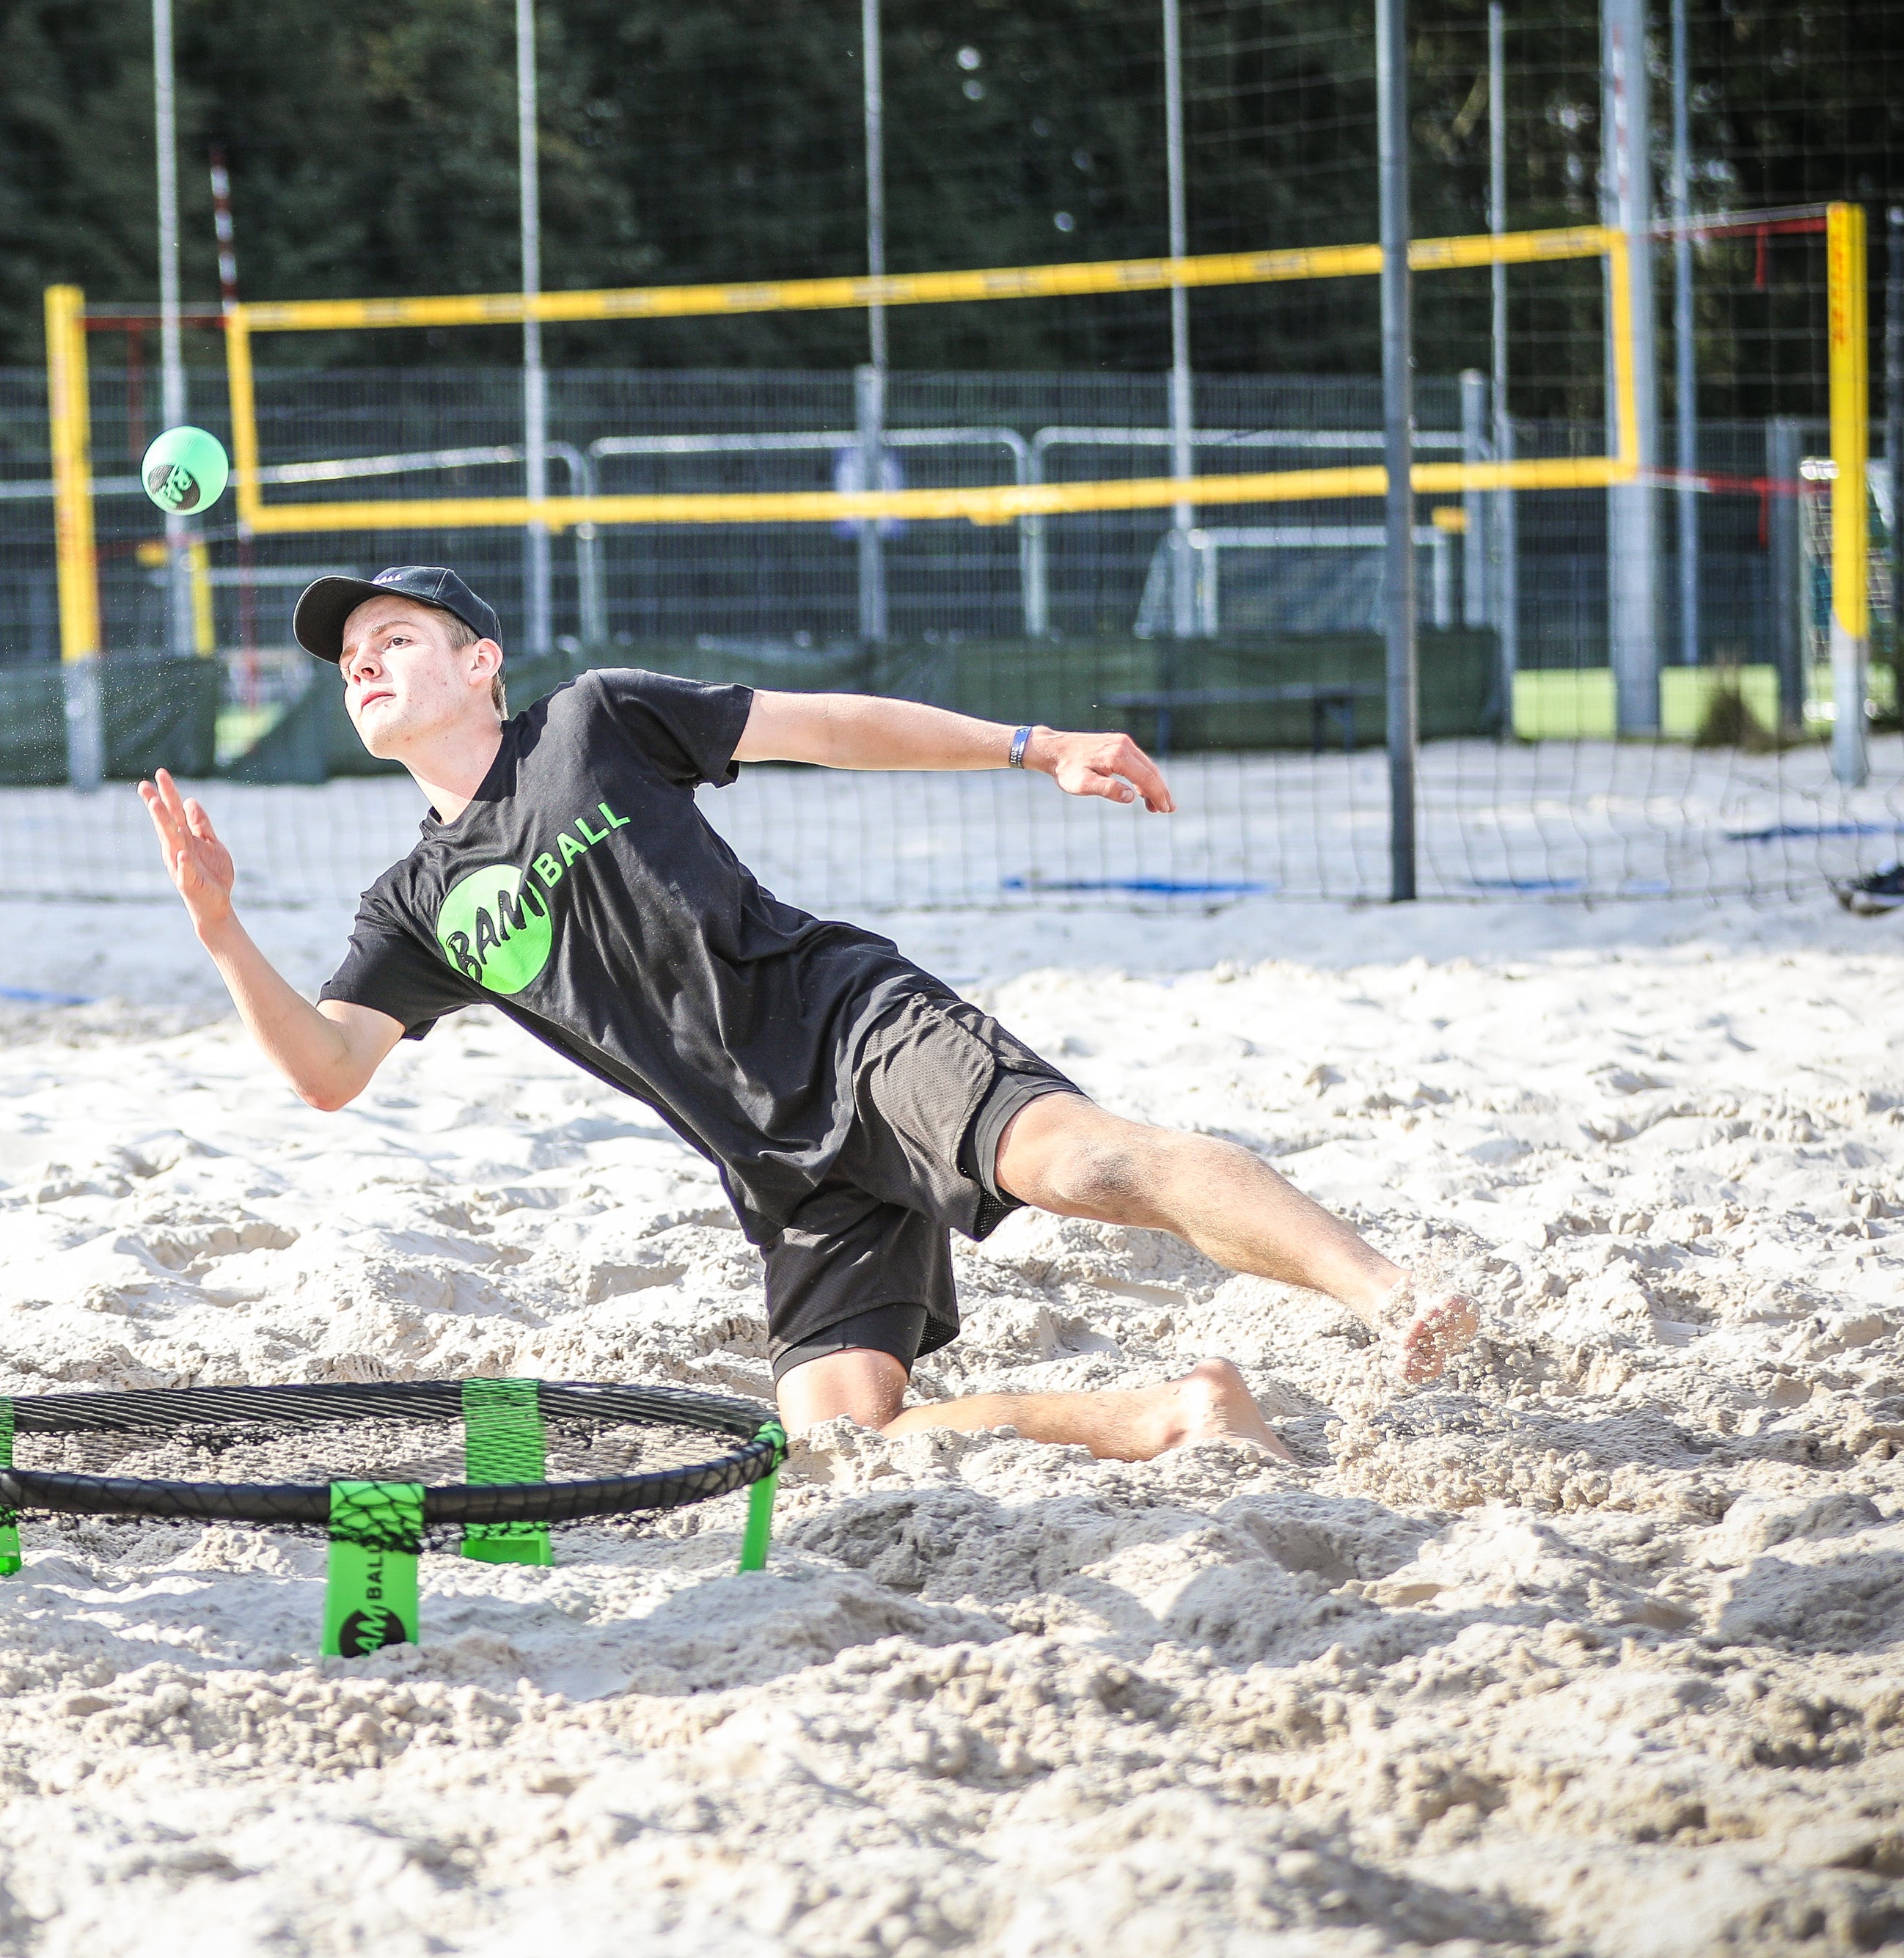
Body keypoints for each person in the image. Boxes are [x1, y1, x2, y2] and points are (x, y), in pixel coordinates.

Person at [139, 565, 1478, 1461]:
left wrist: (1034, 746)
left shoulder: (591, 724)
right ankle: (1181, 1415)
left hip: (852, 1029)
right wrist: (218, 926)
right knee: (844, 1447)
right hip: (772, 1162)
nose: (365, 667)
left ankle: (1391, 1292)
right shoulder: (416, 901)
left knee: (1091, 1163)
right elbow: (325, 1070)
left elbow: (824, 725)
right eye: (351, 660)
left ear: (481, 661)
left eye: (396, 642)